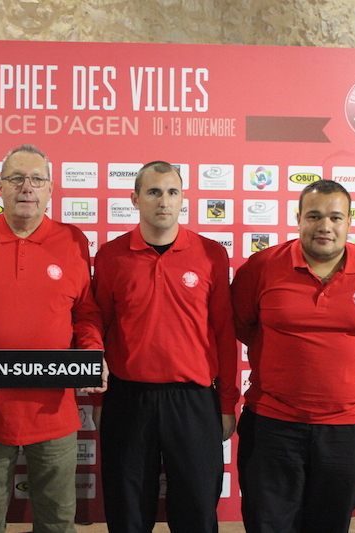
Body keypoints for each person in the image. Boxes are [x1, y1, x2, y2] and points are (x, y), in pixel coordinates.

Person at [0, 144, 105, 533]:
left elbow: (86, 314)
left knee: (57, 524)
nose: (27, 187)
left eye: (37, 179)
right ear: (0, 186)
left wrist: (94, 353)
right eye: (16, 178)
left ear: (51, 188)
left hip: (54, 417)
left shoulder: (73, 241)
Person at [231, 179, 355, 533]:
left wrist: (347, 368)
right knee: (266, 524)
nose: (324, 226)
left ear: (349, 221)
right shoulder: (261, 267)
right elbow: (241, 324)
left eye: (335, 217)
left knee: (330, 524)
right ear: (298, 218)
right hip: (273, 422)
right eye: (314, 216)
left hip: (350, 429)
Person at [92, 161, 239, 533]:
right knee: (127, 512)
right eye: (154, 192)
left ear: (182, 198)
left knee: (197, 511)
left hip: (193, 399)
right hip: (127, 398)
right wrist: (100, 400)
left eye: (172, 192)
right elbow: (99, 329)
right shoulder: (110, 255)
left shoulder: (210, 254)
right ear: (135, 199)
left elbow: (224, 333)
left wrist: (226, 403)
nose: (164, 201)